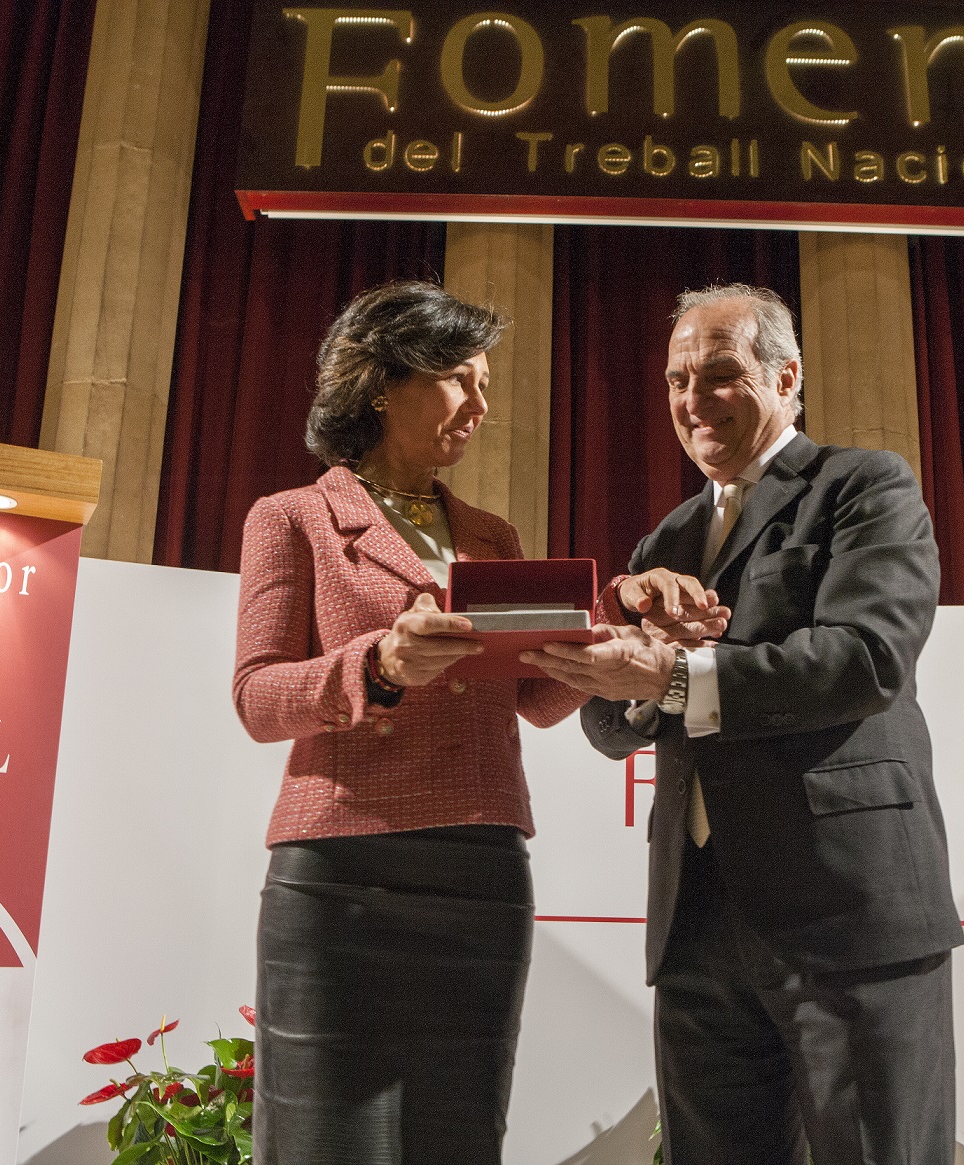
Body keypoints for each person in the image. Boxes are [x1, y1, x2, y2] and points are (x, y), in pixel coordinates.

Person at [525, 284, 964, 1165]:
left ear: (786, 376)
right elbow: (613, 727)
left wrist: (677, 674)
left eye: (719, 374)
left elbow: (866, 659)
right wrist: (626, 677)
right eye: (678, 379)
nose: (693, 401)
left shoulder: (865, 486)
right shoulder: (664, 544)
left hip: (845, 910)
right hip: (696, 925)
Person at [231, 281, 592, 1165]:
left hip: (480, 871)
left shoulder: (493, 536)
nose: (480, 404)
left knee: (458, 1140)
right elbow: (257, 695)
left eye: (484, 383)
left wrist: (600, 652)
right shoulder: (293, 517)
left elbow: (533, 699)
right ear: (381, 384)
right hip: (342, 875)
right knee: (325, 1141)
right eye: (458, 379)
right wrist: (377, 665)